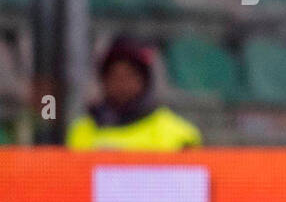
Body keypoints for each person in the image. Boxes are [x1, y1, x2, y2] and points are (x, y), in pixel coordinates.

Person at [66, 36, 202, 152]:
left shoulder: (178, 135)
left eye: (130, 76)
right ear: (103, 80)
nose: (121, 84)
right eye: (114, 76)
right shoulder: (81, 131)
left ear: (146, 81)